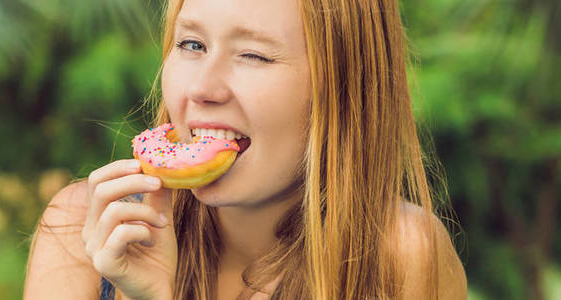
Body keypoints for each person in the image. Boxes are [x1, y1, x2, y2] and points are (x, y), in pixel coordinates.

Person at [24, 0, 467, 298]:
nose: (202, 88)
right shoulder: (78, 235)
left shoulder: (401, 255)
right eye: (191, 44)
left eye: (253, 55)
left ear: (343, 87)